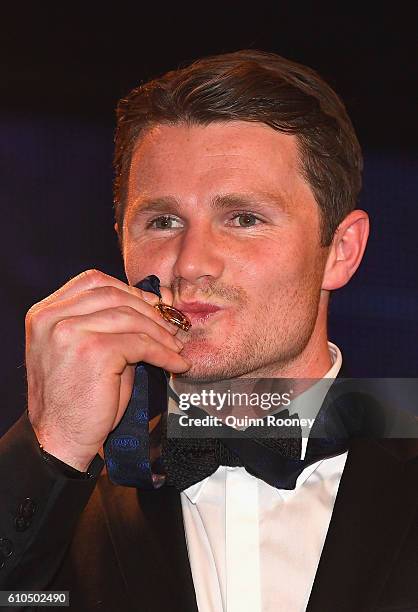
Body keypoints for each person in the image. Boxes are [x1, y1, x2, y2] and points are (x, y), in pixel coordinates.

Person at [0, 49, 417, 612]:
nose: (190, 261)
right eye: (162, 221)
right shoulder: (55, 491)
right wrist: (51, 450)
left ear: (341, 252)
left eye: (243, 218)